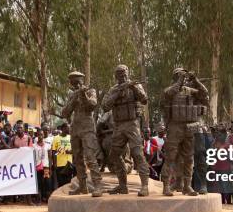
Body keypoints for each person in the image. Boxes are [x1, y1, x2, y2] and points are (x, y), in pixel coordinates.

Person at [101, 64, 150, 196]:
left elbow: (144, 100)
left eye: (125, 73)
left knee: (137, 153)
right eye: (120, 74)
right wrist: (118, 92)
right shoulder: (113, 90)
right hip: (118, 126)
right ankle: (122, 186)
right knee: (114, 155)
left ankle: (144, 186)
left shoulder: (135, 86)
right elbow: (105, 106)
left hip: (132, 124)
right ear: (116, 76)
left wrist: (134, 87)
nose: (123, 76)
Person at [161, 67, 209, 196]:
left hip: (189, 127)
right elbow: (168, 94)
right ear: (174, 77)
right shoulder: (170, 90)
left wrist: (196, 80)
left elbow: (204, 93)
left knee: (188, 158)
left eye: (183, 75)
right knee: (171, 157)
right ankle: (166, 185)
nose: (182, 77)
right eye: (179, 75)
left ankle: (187, 186)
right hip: (175, 127)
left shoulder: (190, 91)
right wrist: (180, 81)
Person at [61, 71, 103, 197]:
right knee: (77, 159)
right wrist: (75, 97)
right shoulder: (71, 94)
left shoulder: (90, 91)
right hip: (75, 128)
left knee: (90, 157)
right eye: (72, 81)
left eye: (76, 81)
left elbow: (92, 105)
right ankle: (83, 186)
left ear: (82, 80)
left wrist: (83, 94)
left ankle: (97, 186)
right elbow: (64, 113)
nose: (74, 83)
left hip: (87, 127)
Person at [51, 122, 73, 188]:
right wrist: (55, 164)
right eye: (68, 128)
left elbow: (75, 149)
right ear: (63, 128)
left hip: (69, 164)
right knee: (60, 183)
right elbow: (54, 151)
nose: (69, 130)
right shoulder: (56, 138)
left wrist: (70, 152)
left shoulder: (70, 137)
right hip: (60, 164)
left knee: (68, 182)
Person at [33, 127, 50, 203]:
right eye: (39, 135)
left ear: (43, 136)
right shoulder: (34, 146)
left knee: (47, 183)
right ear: (37, 135)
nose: (40, 136)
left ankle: (47, 200)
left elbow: (50, 157)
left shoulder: (47, 145)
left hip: (46, 167)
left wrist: (50, 167)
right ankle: (39, 200)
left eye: (42, 135)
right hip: (37, 166)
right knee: (39, 183)